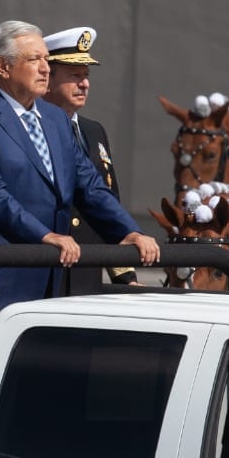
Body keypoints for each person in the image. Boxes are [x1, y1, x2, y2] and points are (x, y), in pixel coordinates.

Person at [0, 20, 160, 402]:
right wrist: (42, 235)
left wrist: (127, 231)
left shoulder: (57, 120)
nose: (46, 67)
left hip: (51, 290)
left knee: (37, 401)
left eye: (46, 59)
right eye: (35, 59)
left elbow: (90, 186)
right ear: (3, 67)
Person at [40, 25, 135, 292]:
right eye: (74, 75)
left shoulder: (94, 131)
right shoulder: (31, 129)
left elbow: (108, 200)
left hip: (87, 274)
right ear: (47, 78)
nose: (84, 83)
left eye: (86, 75)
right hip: (46, 270)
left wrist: (124, 274)